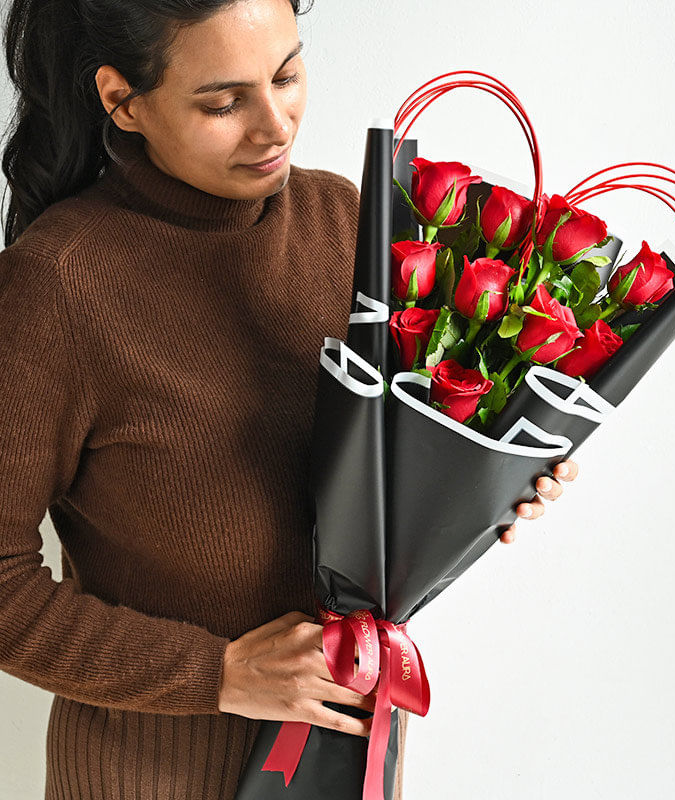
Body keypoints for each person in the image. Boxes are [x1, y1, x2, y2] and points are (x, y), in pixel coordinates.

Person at [0, 0, 579, 796]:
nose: (275, 126)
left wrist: (483, 481)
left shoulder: (347, 220)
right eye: (223, 101)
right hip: (154, 775)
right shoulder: (57, 283)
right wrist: (218, 673)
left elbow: (375, 487)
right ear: (122, 99)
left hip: (353, 754)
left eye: (286, 74)